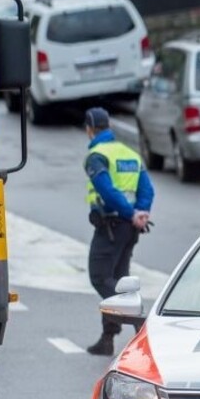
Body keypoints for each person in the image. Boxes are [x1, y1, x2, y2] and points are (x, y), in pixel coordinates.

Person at [84, 107, 154, 355]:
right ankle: (107, 338)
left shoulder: (97, 156)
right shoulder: (130, 154)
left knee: (101, 278)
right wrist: (140, 212)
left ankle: (139, 321)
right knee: (120, 281)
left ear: (89, 129)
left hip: (112, 226)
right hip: (130, 228)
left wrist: (129, 213)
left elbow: (107, 191)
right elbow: (147, 189)